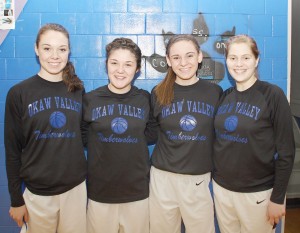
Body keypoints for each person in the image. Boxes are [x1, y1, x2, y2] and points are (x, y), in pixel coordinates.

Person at [4, 23, 87, 233]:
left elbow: (85, 136)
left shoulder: (77, 90)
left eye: (62, 49)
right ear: (36, 49)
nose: (55, 56)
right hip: (37, 194)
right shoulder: (19, 93)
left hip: (75, 191)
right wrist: (16, 200)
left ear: (69, 51)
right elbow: (12, 151)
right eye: (47, 48)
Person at [212, 34, 295, 233]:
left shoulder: (273, 95)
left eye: (246, 58)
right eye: (233, 58)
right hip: (222, 190)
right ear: (226, 61)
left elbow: (287, 152)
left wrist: (277, 198)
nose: (239, 64)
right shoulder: (225, 96)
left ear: (256, 60)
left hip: (257, 194)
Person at [149, 34, 223, 233]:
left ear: (199, 57)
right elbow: (150, 132)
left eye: (189, 56)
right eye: (176, 57)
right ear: (168, 61)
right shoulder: (158, 93)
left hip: (197, 180)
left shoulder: (215, 92)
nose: (183, 63)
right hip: (162, 178)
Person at [82, 37, 156, 233]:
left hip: (138, 193)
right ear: (106, 64)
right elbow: (83, 136)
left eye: (128, 64)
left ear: (138, 68)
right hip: (100, 193)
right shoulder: (90, 99)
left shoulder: (145, 99)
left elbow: (151, 134)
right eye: (114, 63)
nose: (120, 70)